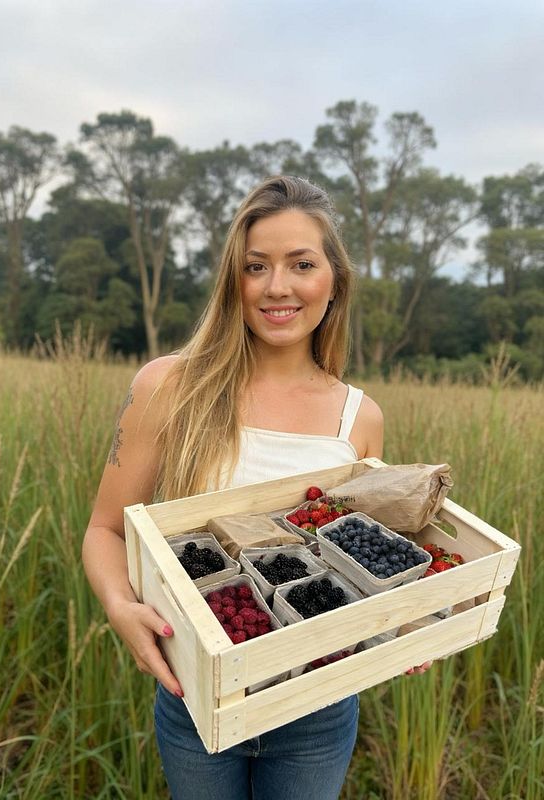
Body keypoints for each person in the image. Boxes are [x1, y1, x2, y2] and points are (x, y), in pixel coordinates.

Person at [82, 175, 431, 800]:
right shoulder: (169, 386)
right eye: (256, 266)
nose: (278, 286)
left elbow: (356, 561)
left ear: (334, 280)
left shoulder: (361, 418)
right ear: (232, 281)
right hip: (197, 696)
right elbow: (106, 530)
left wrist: (404, 625)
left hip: (320, 708)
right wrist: (118, 605)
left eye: (302, 264)